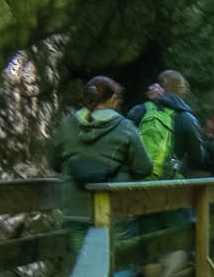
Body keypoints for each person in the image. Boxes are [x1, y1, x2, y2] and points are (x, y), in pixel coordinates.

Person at [50, 74, 152, 242]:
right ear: (112, 98)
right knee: (119, 260)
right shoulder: (125, 127)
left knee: (84, 263)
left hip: (75, 208)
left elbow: (54, 162)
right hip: (115, 206)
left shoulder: (67, 124)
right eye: (117, 98)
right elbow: (144, 168)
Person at [128, 69, 210, 177]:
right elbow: (198, 156)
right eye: (184, 88)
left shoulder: (137, 111)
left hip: (135, 179)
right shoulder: (187, 118)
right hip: (167, 181)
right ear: (181, 89)